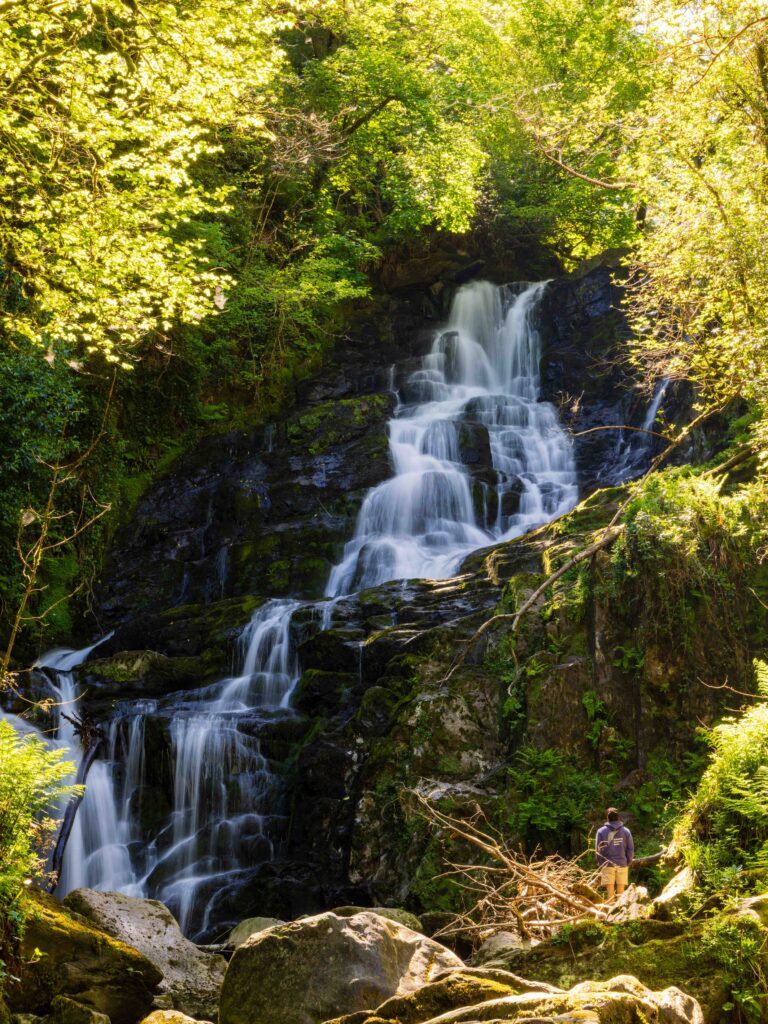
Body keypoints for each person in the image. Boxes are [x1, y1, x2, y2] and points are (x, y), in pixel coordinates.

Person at [595, 807, 634, 901]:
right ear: (619, 817)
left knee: (610, 894)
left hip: (607, 864)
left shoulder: (601, 831)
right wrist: (628, 861)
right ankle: (621, 913)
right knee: (621, 893)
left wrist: (601, 864)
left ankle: (610, 914)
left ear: (607, 818)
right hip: (622, 863)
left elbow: (598, 850)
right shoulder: (626, 831)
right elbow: (630, 849)